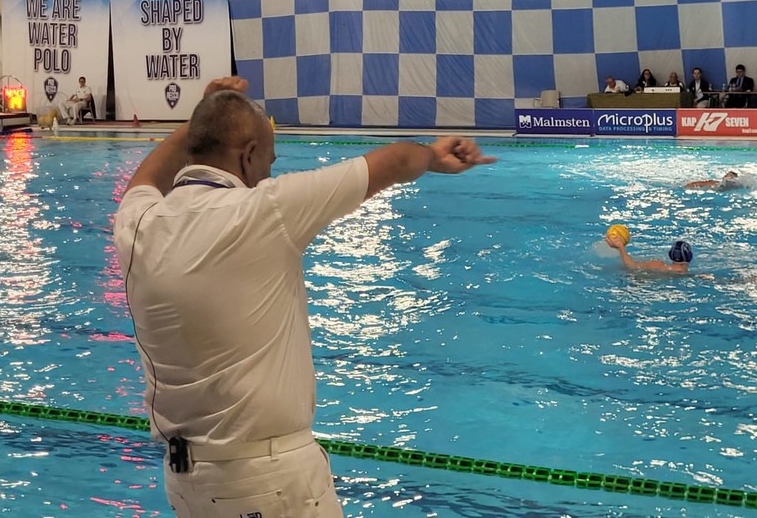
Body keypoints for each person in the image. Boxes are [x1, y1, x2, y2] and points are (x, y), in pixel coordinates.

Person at [112, 76, 496, 518]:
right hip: (266, 480)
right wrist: (433, 156)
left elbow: (147, 175)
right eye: (268, 161)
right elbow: (396, 160)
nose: (269, 174)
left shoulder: (137, 223)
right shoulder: (264, 210)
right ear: (248, 154)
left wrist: (207, 111)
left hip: (187, 485)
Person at [606, 233, 693, 275]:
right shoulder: (687, 275)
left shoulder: (657, 265)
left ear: (670, 255)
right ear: (690, 257)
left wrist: (620, 247)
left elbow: (631, 265)